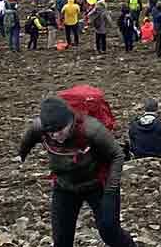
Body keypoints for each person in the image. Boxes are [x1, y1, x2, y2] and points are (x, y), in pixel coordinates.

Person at [17, 95, 136, 247]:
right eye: (51, 132)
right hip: (65, 186)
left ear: (71, 121)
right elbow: (28, 138)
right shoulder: (40, 127)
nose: (56, 135)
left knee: (110, 232)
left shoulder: (92, 129)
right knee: (61, 239)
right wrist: (22, 154)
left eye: (60, 130)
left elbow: (117, 155)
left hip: (97, 185)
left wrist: (111, 192)